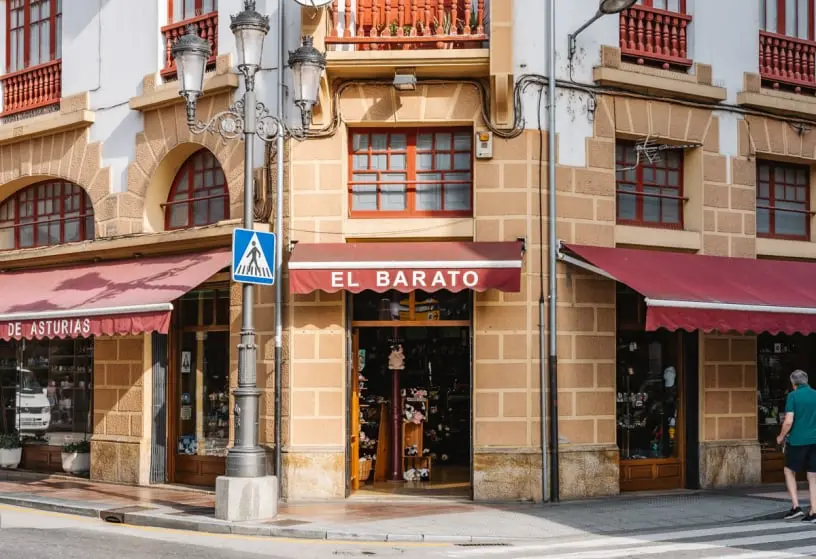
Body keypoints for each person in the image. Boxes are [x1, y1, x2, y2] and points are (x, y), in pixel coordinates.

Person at [777, 369, 816, 521]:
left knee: (789, 471)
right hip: (815, 440)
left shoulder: (793, 396)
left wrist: (780, 437)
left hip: (798, 441)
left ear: (793, 383)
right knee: (813, 475)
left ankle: (796, 507)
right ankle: (814, 511)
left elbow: (788, 420)